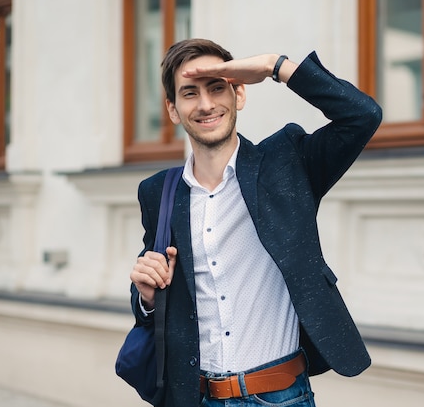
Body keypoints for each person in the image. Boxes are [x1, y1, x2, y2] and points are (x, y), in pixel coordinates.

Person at [129, 38, 382, 407]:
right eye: (189, 93)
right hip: (196, 398)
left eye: (218, 87)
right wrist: (147, 297)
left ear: (239, 95)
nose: (205, 104)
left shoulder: (288, 163)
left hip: (281, 397)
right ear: (172, 109)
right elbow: (153, 291)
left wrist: (274, 66)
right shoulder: (159, 193)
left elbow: (362, 115)